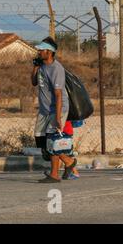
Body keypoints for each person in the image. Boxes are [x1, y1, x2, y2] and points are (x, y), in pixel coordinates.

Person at [31, 37, 77, 183]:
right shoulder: (42, 66)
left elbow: (58, 95)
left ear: (49, 52)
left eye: (41, 50)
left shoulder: (56, 68)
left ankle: (55, 174)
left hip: (57, 109)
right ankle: (68, 162)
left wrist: (58, 117)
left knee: (52, 140)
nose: (38, 52)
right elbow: (34, 82)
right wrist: (35, 67)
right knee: (41, 139)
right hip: (44, 110)